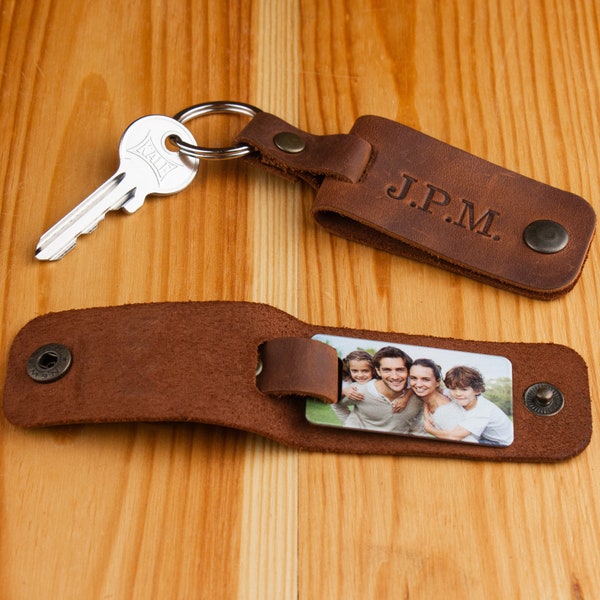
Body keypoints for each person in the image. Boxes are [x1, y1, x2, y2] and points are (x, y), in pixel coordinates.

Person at [423, 365, 514, 446]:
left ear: (477, 390)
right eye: (453, 388)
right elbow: (430, 394)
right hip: (484, 436)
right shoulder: (455, 394)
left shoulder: (482, 411)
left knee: (462, 444)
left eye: (464, 389)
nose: (458, 393)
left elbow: (454, 436)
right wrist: (427, 416)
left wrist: (430, 430)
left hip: (501, 443)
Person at [340, 346, 422, 434]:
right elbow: (335, 402)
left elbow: (415, 420)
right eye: (387, 370)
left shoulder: (418, 393)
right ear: (378, 371)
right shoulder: (357, 389)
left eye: (400, 369)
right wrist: (350, 424)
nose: (394, 376)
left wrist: (405, 398)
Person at [408, 358, 477, 443]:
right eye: (413, 378)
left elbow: (466, 441)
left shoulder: (444, 411)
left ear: (437, 382)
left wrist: (429, 429)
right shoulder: (431, 400)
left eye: (426, 379)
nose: (418, 384)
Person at [331, 350, 375, 424]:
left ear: (373, 370)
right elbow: (332, 397)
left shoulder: (377, 380)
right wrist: (343, 391)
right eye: (355, 371)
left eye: (365, 371)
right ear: (349, 370)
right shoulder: (347, 382)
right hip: (347, 415)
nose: (360, 375)